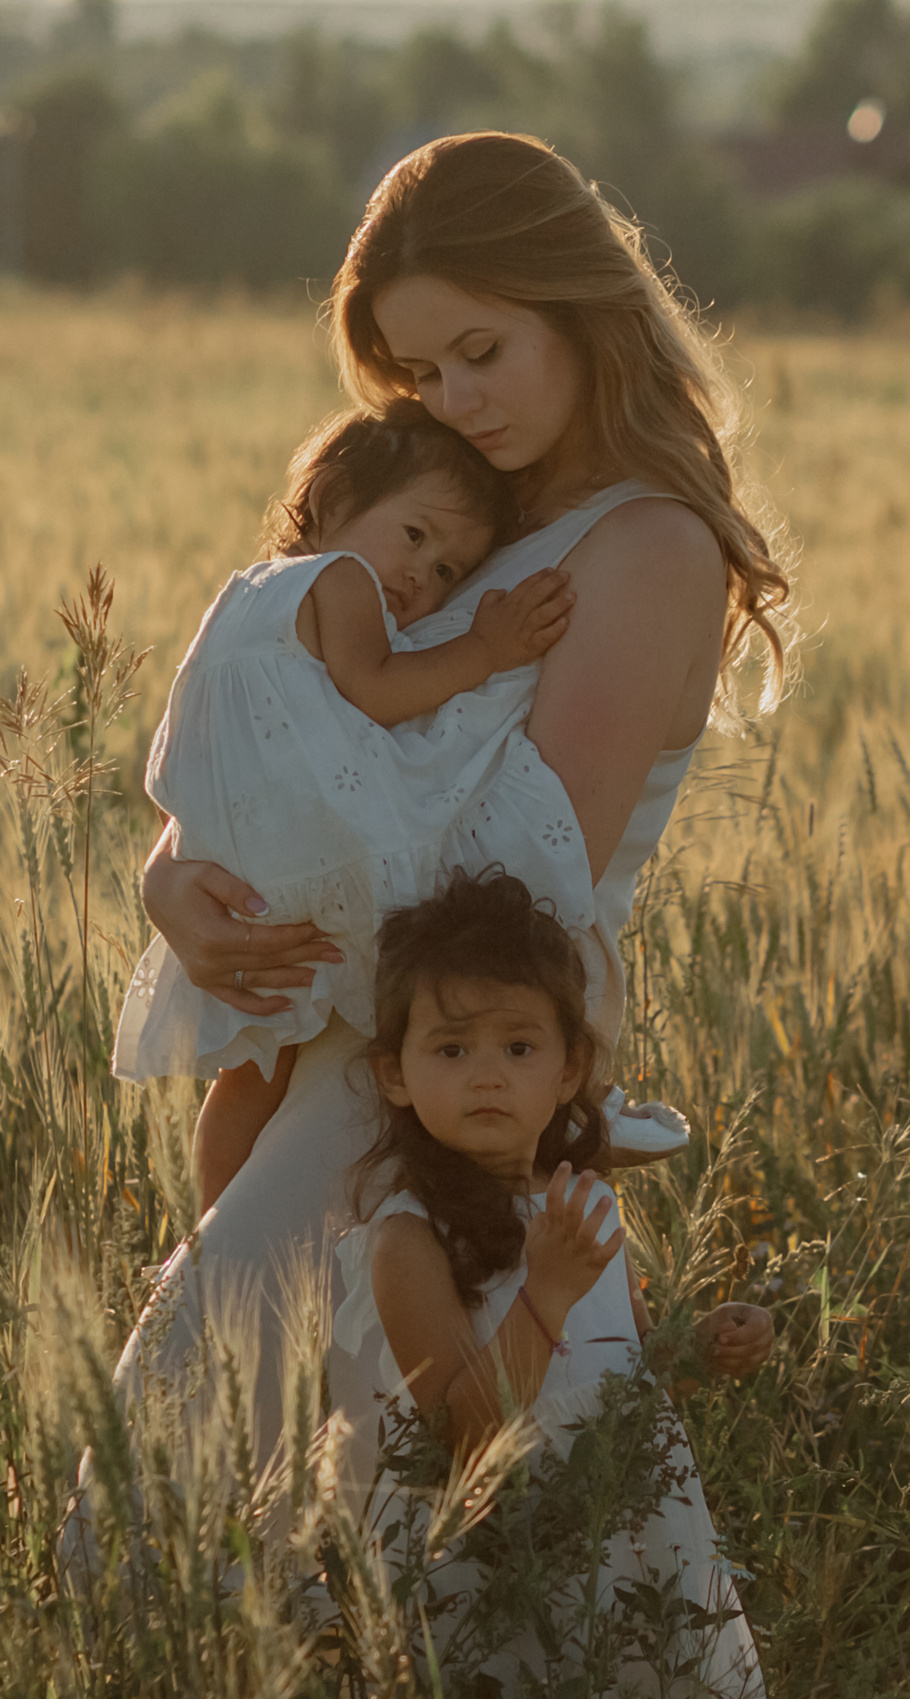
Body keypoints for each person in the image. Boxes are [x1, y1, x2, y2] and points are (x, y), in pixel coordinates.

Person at [88, 129, 794, 1499]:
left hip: (434, 1091)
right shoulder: (444, 526)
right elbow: (290, 735)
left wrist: (277, 916)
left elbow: (512, 877)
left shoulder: (646, 546)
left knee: (223, 1481)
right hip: (343, 1054)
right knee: (242, 1497)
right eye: (421, 371)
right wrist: (173, 882)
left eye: (482, 350)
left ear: (581, 314)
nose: (453, 398)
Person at [114, 398, 586, 1213]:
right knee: (408, 1039)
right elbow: (375, 690)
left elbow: (187, 739)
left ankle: (213, 1230)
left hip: (249, 868)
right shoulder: (341, 580)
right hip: (321, 858)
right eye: (414, 535)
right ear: (332, 503)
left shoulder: (242, 595)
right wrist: (486, 649)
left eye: (447, 571)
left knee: (254, 1077)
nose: (421, 575)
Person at [331, 871, 770, 1699]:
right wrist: (546, 1291)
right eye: (452, 1049)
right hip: (504, 1566)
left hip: (627, 1541)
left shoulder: (586, 1199)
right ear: (394, 1073)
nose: (487, 1075)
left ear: (569, 1069)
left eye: (518, 1047)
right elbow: (470, 1439)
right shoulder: (410, 1237)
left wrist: (707, 1344)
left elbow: (629, 1369)